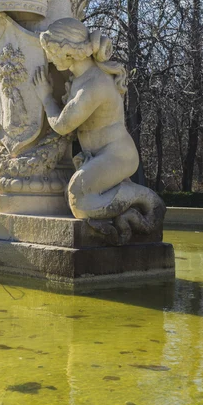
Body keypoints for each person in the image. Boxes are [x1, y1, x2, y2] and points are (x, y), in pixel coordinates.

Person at [33, 18, 163, 240]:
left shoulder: (92, 85)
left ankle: (143, 197)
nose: (49, 58)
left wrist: (46, 97)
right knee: (76, 195)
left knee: (79, 200)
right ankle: (126, 214)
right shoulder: (81, 78)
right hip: (102, 155)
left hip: (117, 155)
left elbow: (63, 126)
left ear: (67, 51)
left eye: (51, 50)